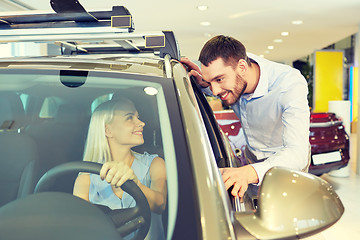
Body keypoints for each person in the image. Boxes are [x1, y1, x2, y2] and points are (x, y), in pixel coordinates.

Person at [180, 35, 310, 199]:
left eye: (219, 79)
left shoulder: (289, 84)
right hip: (251, 160)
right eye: (210, 82)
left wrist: (249, 173)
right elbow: (218, 87)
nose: (214, 91)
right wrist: (202, 83)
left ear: (242, 67)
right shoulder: (235, 71)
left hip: (285, 165)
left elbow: (298, 153)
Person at [73, 98, 167, 239]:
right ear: (108, 130)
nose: (141, 123)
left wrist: (136, 184)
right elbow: (80, 230)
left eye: (138, 117)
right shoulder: (85, 179)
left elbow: (159, 205)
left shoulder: (155, 163)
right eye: (129, 118)